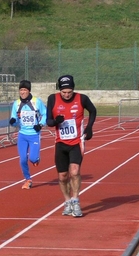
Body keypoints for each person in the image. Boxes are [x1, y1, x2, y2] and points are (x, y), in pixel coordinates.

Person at [46, 75, 97, 217]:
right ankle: (67, 201)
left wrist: (89, 128)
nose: (67, 95)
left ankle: (75, 200)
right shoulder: (52, 99)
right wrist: (56, 121)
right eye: (64, 92)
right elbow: (48, 121)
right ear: (60, 91)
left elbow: (93, 111)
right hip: (60, 142)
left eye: (69, 92)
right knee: (62, 176)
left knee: (74, 172)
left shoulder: (82, 98)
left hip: (76, 141)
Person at [9, 80, 47, 189]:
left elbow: (45, 114)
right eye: (21, 90)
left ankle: (36, 159)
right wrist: (13, 121)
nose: (22, 92)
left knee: (32, 158)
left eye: (25, 90)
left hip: (34, 134)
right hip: (22, 135)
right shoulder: (16, 104)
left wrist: (40, 125)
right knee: (22, 159)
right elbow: (15, 119)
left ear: (29, 90)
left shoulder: (36, 102)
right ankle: (28, 179)